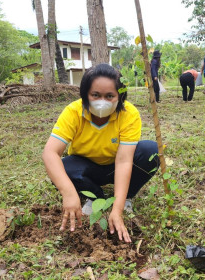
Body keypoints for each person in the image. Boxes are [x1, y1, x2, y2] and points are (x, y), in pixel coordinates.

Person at [42, 63, 159, 243]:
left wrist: (117, 210)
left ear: (120, 96)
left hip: (115, 165)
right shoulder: (73, 112)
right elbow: (50, 152)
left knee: (151, 151)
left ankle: (125, 197)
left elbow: (124, 161)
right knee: (63, 167)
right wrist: (68, 193)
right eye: (95, 95)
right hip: (86, 166)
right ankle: (94, 197)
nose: (102, 101)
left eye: (109, 96)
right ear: (85, 95)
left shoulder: (129, 114)